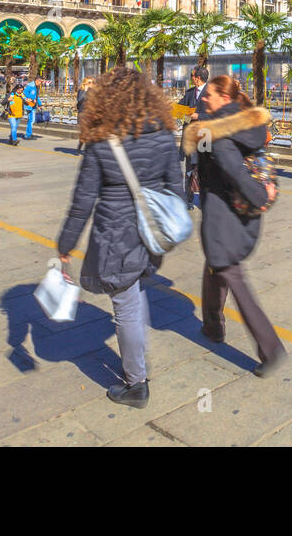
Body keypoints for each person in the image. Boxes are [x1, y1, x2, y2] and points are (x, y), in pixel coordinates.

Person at [57, 69, 183, 409]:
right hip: (152, 235)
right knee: (135, 292)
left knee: (125, 304)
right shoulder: (164, 136)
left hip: (116, 236)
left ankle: (136, 383)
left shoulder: (101, 142)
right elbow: (177, 190)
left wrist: (65, 243)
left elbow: (82, 202)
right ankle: (137, 357)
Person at [183, 75, 285, 377]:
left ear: (224, 99)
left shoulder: (219, 134)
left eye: (210, 95)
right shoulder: (243, 122)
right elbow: (202, 157)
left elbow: (234, 172)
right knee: (215, 267)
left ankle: (271, 348)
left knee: (232, 275)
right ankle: (212, 325)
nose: (204, 98)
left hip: (224, 216)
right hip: (237, 213)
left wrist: (260, 198)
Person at [179, 66, 210, 201]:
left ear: (198, 78)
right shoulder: (189, 93)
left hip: (204, 137)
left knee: (204, 170)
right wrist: (186, 117)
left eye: (192, 76)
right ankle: (188, 198)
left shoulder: (211, 94)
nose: (191, 78)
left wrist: (198, 116)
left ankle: (206, 199)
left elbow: (216, 116)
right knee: (189, 169)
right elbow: (180, 113)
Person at [75, 77, 94, 153]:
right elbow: (79, 100)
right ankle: (80, 147)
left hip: (90, 114)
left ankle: (85, 149)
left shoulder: (93, 91)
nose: (91, 84)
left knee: (89, 132)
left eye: (92, 82)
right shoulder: (81, 90)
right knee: (85, 132)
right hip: (82, 114)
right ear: (85, 83)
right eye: (90, 82)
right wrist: (85, 90)